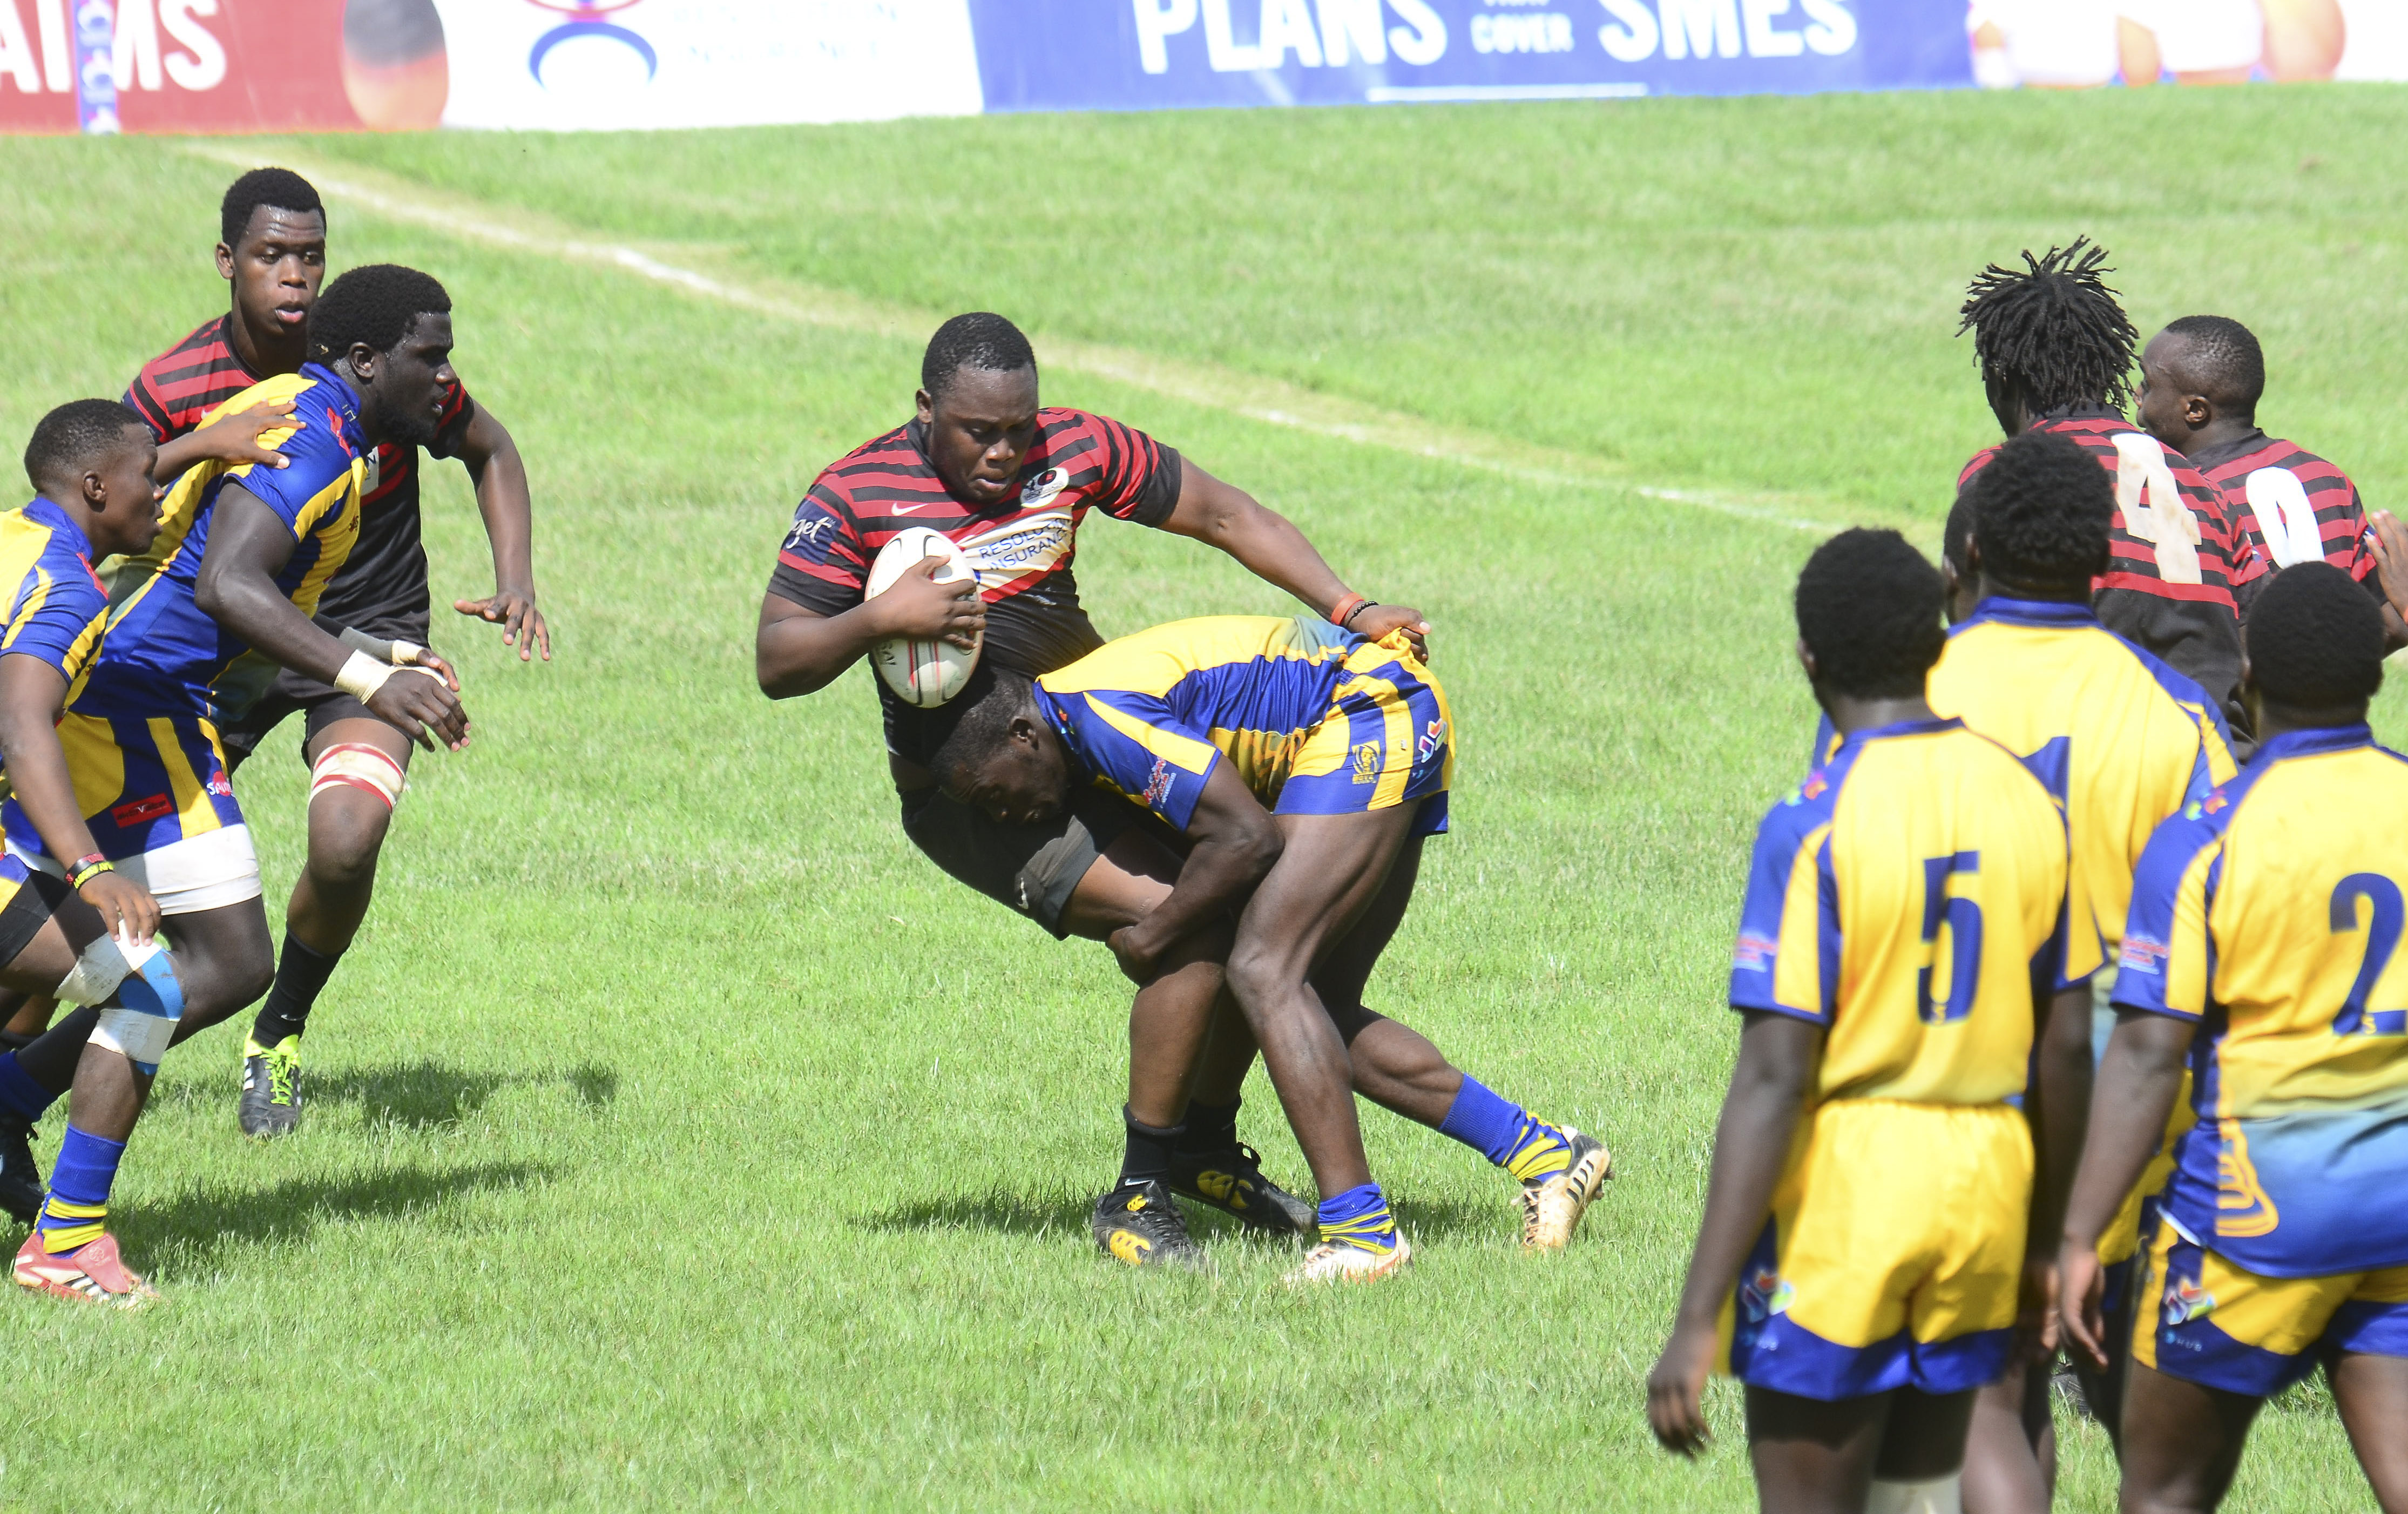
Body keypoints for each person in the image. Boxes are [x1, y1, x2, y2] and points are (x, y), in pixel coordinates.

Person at [755, 312, 1432, 1258]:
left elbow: (1226, 512)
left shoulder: (1072, 448)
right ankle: (1139, 1191)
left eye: (1017, 429)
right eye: (976, 432)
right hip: (978, 793)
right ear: (924, 412)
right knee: (1189, 914)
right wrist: (883, 617)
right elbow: (778, 659)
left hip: (1089, 736)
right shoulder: (857, 493)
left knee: (1235, 900)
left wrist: (1348, 607)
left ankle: (1200, 1146)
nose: (1003, 452)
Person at [0, 268, 470, 1302]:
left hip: (159, 698)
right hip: (132, 708)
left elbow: (202, 557)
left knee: (224, 958)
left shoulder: (321, 421)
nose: (445, 376)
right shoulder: (311, 439)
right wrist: (364, 676)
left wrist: (371, 648)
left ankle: (18, 1102)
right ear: (365, 361)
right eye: (429, 356)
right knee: (159, 970)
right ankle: (66, 1229)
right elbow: (227, 583)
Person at [928, 614, 1609, 1281]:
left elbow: (1246, 839)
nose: (1003, 815)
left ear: (1023, 736)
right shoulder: (1077, 726)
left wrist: (1153, 936)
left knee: (1262, 969)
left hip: (1366, 714)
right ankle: (1549, 1155)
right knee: (1316, 1010)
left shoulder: (1093, 715)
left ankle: (1362, 1236)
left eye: (992, 793)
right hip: (1385, 711)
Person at [1647, 529, 2087, 1514]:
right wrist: (2048, 1236)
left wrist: (1694, 1314)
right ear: (1938, 643)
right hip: (1987, 1179)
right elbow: (2065, 1046)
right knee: (1920, 1489)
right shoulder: (2029, 800)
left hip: (1855, 1188)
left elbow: (1774, 1076)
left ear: (1809, 658)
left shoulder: (1816, 822)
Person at [118, 167, 545, 1138]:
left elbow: (489, 445)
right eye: (274, 255)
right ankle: (48, 1059)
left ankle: (277, 1035)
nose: (296, 276)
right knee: (122, 882)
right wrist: (196, 449)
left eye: (311, 254)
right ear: (229, 264)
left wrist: (515, 576)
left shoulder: (387, 370)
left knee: (348, 839)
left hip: (365, 635)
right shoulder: (180, 384)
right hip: (225, 651)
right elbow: (108, 500)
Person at [1931, 431, 2238, 1510]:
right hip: (2121, 1103)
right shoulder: (2176, 715)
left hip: (1952, 1088)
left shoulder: (1914, 691)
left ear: (1971, 545)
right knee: (2130, 1397)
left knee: (1995, 1392)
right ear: (2107, 555)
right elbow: (2221, 933)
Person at [2061, 563, 2408, 1513]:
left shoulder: (2210, 835)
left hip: (2259, 1217)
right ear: (2374, 676)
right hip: (2401, 1200)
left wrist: (2081, 1232)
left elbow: (2145, 1052)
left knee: (2164, 1489)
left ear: (2245, 670)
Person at [0, 403, 198, 1305]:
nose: (159, 493)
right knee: (148, 985)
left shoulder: (15, 536)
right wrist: (87, 867)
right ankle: (67, 1244)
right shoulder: (70, 589)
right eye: (147, 478)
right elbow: (21, 724)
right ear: (94, 489)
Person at [1955, 239, 2262, 734]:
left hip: (2092, 756)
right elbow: (2258, 638)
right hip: (2220, 758)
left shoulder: (2001, 474)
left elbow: (1977, 642)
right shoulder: (2206, 487)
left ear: (2000, 379)